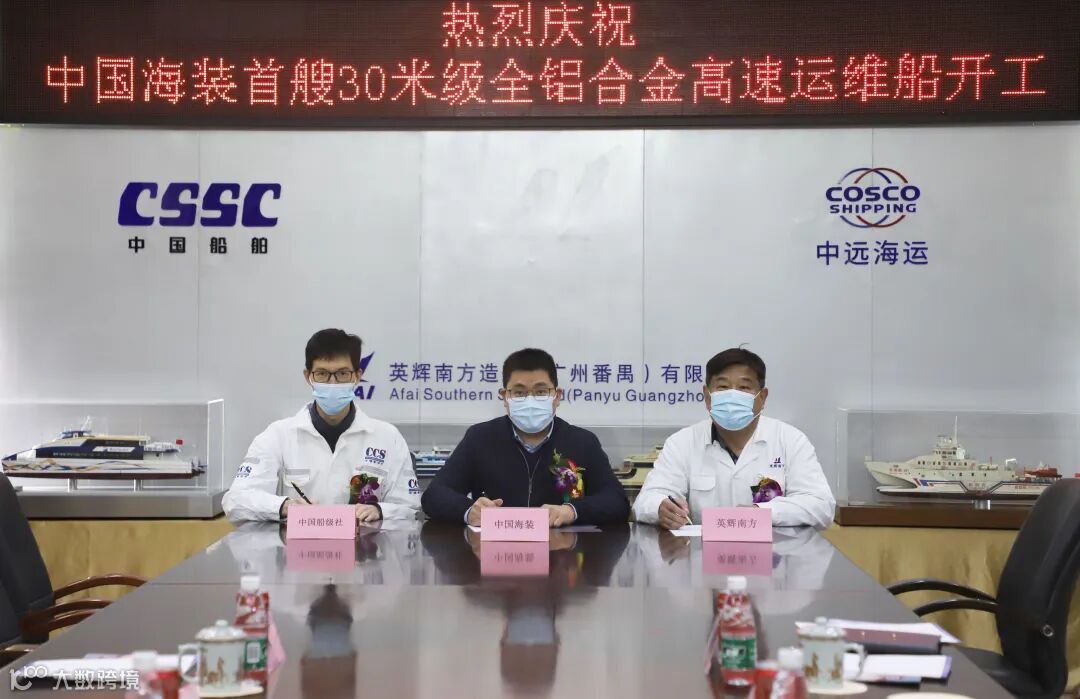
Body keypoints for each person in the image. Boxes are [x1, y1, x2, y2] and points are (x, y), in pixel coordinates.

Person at [223, 329, 420, 523]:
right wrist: (283, 506)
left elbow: (410, 507)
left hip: (365, 543)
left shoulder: (388, 437)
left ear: (357, 376)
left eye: (342, 373)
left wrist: (380, 510)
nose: (332, 382)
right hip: (296, 543)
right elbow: (236, 501)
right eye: (322, 374)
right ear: (308, 376)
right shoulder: (278, 435)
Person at [421, 348, 630, 527]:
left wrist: (571, 511)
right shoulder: (480, 438)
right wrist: (469, 511)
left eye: (541, 392)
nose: (530, 400)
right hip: (496, 554)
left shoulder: (582, 442)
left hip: (562, 554)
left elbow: (617, 501)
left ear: (557, 396)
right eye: (519, 393)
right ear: (505, 397)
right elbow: (435, 495)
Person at [633, 347, 835, 529]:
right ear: (707, 396)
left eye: (744, 388)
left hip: (774, 554)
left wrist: (764, 513)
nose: (732, 396)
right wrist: (660, 508)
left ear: (762, 397)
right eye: (722, 387)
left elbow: (821, 506)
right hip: (703, 555)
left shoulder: (790, 440)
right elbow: (646, 500)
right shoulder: (682, 443)